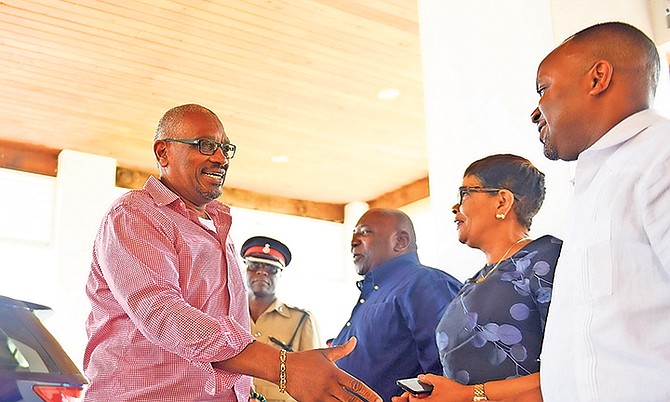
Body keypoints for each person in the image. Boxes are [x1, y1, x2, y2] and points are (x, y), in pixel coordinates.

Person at [83, 103, 381, 402]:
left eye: (226, 149)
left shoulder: (216, 226)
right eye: (206, 145)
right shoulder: (136, 215)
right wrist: (283, 367)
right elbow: (162, 313)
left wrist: (245, 391)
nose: (220, 158)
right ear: (163, 152)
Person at [530, 22, 670, 401]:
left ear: (598, 78)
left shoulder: (660, 156)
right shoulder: (600, 181)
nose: (535, 112)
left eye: (543, 88)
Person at [392, 154, 562, 402]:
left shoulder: (545, 258)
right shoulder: (473, 283)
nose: (455, 206)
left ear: (502, 201)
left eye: (465, 193)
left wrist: (468, 396)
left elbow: (573, 365)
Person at [331, 208, 462, 402]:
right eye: (353, 233)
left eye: (365, 232)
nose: (354, 242)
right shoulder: (373, 294)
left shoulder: (423, 283)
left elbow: (448, 370)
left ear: (400, 241)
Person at [242, 235, 321, 402]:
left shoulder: (301, 321)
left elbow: (314, 377)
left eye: (271, 269)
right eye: (254, 265)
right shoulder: (229, 315)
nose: (262, 272)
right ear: (245, 269)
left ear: (280, 274)